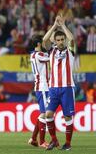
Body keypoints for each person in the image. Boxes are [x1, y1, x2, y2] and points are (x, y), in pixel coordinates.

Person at [42, 15, 75, 151]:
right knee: (48, 115)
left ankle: (67, 143)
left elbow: (72, 39)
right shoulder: (52, 51)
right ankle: (54, 140)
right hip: (54, 89)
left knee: (67, 116)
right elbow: (44, 40)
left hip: (67, 88)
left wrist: (63, 26)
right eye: (58, 40)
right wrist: (55, 26)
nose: (61, 41)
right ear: (55, 41)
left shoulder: (70, 51)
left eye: (62, 39)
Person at [27, 35, 50, 148]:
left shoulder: (33, 55)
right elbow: (52, 57)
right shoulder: (39, 55)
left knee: (43, 113)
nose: (44, 44)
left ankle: (33, 138)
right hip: (43, 86)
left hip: (40, 86)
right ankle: (42, 141)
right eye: (42, 42)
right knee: (44, 114)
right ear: (39, 44)